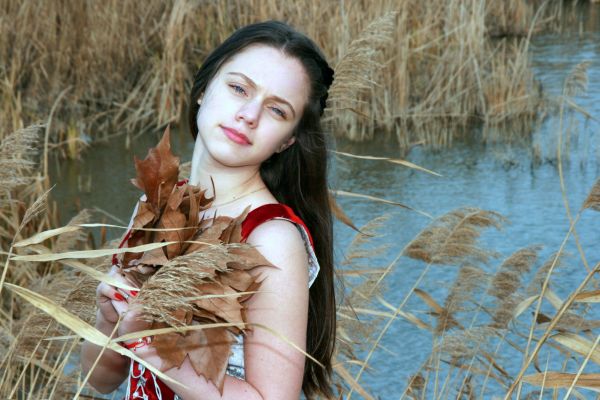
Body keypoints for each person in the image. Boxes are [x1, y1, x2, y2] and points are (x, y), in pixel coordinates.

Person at [81, 20, 336, 400]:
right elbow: (99, 382)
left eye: (277, 111)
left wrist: (156, 348)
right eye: (238, 88)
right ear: (203, 89)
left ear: (288, 141)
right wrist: (108, 319)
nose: (249, 114)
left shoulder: (271, 237)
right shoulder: (157, 204)